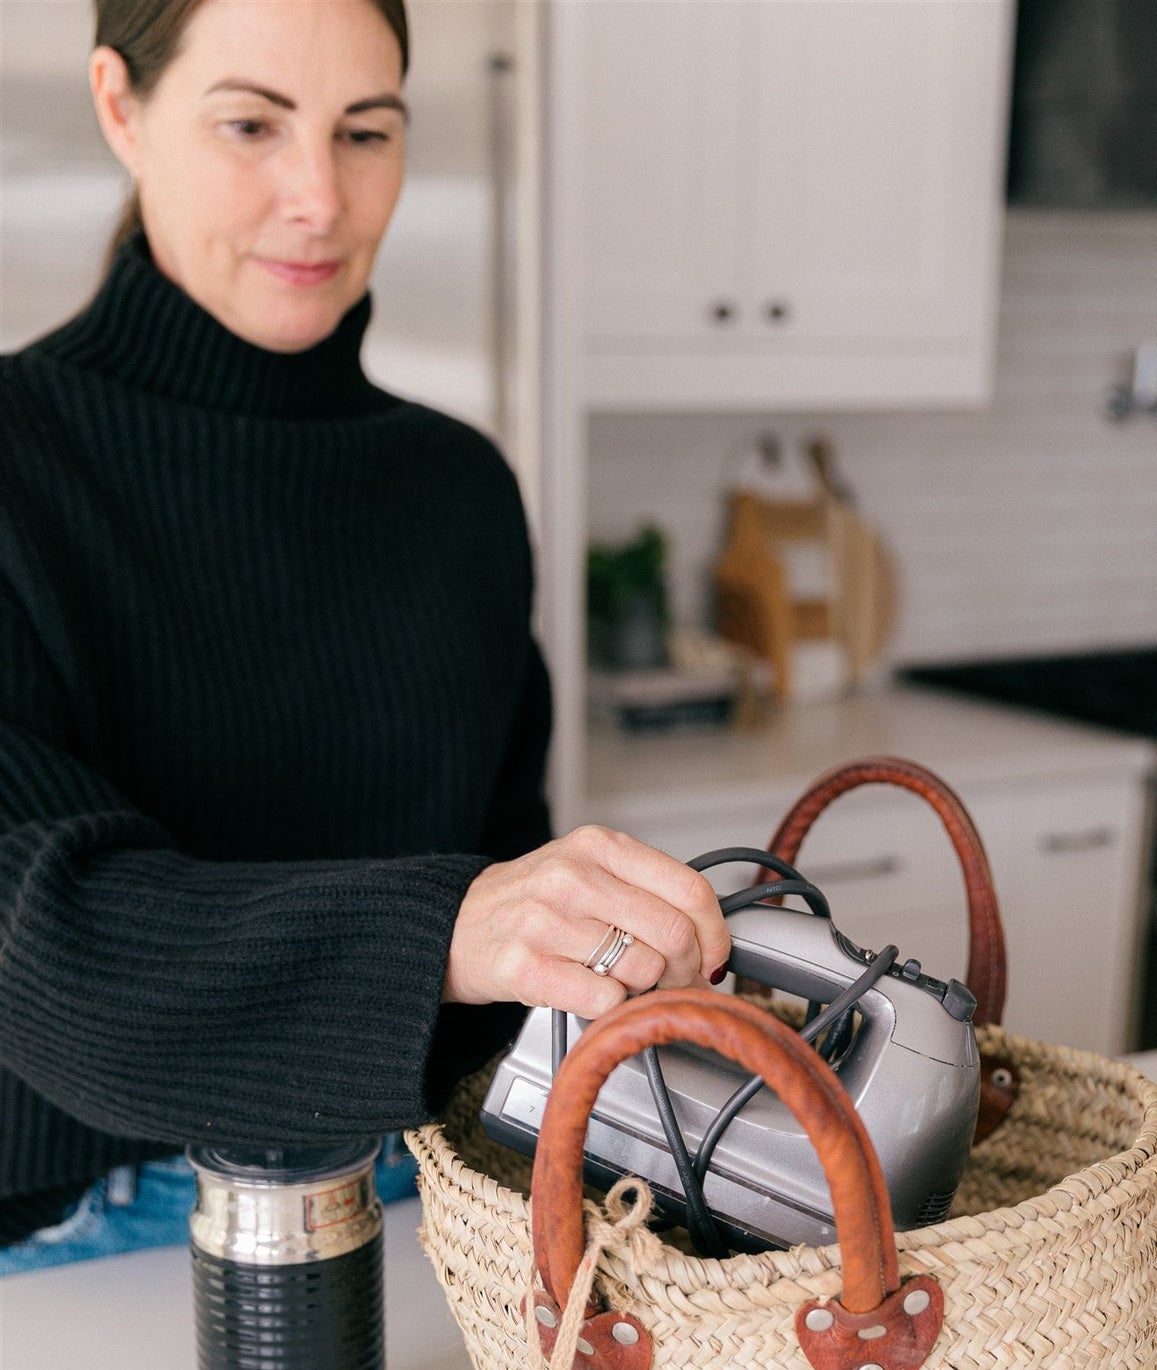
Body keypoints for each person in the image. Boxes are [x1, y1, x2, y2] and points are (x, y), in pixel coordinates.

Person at [0, 0, 730, 1271]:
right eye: (251, 124)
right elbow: (38, 929)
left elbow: (506, 887)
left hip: (440, 1188)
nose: (320, 199)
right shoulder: (18, 462)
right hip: (91, 1232)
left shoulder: (459, 490)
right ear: (121, 106)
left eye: (366, 132)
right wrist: (449, 928)